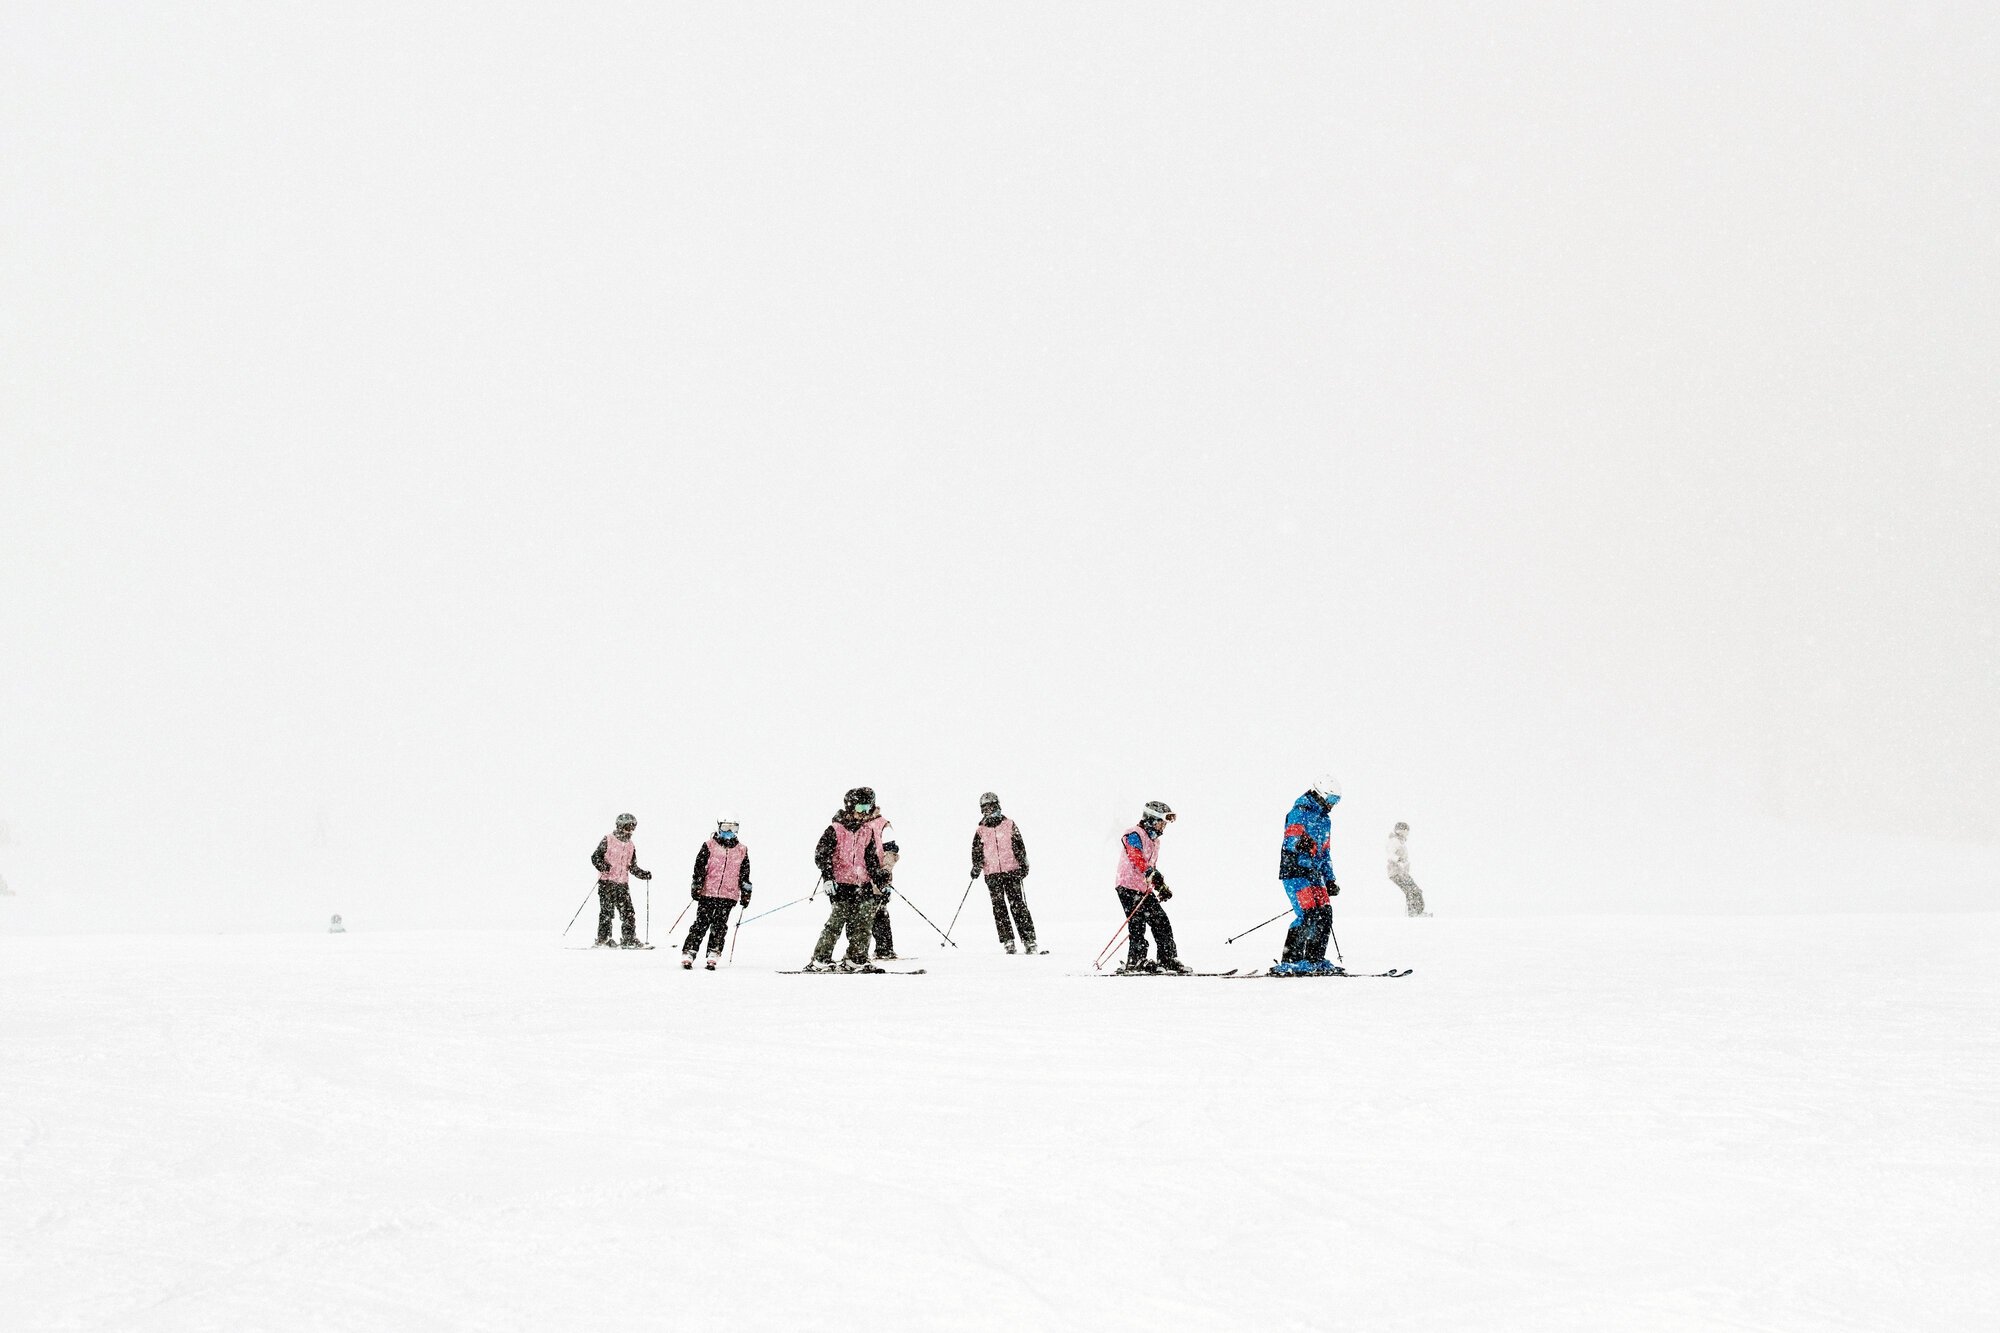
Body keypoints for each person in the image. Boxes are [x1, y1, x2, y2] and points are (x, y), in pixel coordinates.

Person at [807, 788, 896, 972]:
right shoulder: (835, 830)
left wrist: (880, 880)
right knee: (835, 924)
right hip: (842, 885)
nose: (864, 812)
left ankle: (856, 959)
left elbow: (871, 860)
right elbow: (822, 855)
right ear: (850, 806)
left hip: (863, 885)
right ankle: (820, 959)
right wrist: (828, 878)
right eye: (860, 807)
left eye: (868, 807)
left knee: (863, 924)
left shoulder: (867, 831)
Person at [1273, 776, 1342, 975]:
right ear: (1321, 795)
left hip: (1315, 873)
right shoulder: (1299, 812)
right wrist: (1300, 844)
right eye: (1332, 800)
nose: (1333, 805)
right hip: (1296, 871)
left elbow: (1325, 852)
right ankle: (1291, 961)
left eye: (1336, 801)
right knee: (1308, 913)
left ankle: (1314, 959)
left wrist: (1330, 878)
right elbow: (1290, 841)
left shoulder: (1325, 820)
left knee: (1325, 913)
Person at [1113, 801, 1189, 974]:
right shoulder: (1134, 834)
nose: (1164, 827)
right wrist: (1149, 872)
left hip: (1143, 889)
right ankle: (1136, 960)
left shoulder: (1155, 842)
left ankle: (1167, 959)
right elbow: (1135, 855)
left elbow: (1151, 868)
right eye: (1162, 822)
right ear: (1151, 820)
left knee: (1161, 920)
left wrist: (1160, 886)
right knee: (1137, 923)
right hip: (1127, 886)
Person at [970, 791, 1037, 953]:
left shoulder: (1009, 825)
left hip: (1011, 871)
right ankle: (1008, 941)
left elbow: (1019, 846)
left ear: (997, 806)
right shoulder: (980, 831)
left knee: (1018, 905)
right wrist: (976, 866)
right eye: (985, 808)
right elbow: (977, 852)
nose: (989, 810)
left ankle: (1029, 940)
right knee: (999, 909)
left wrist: (1023, 864)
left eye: (992, 806)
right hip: (992, 874)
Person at [684, 816, 752, 969]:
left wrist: (746, 892)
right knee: (701, 923)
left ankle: (714, 952)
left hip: (728, 895)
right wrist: (697, 885)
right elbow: (699, 867)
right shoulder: (709, 846)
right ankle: (690, 951)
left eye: (733, 828)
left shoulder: (741, 850)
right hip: (708, 892)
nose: (729, 831)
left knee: (720, 925)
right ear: (719, 827)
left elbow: (745, 874)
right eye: (726, 827)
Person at [590, 813, 653, 948]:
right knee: (607, 912)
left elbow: (632, 867)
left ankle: (629, 939)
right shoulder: (608, 840)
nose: (630, 831)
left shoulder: (631, 846)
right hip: (606, 882)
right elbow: (595, 857)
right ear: (619, 826)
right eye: (627, 827)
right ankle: (604, 939)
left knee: (628, 912)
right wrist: (603, 866)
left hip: (622, 884)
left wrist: (643, 874)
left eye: (632, 828)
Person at [1388, 822, 1428, 916]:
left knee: (1414, 890)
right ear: (1401, 831)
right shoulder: (1394, 841)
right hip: (1396, 872)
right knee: (1411, 890)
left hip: (1402, 872)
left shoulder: (1400, 841)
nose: (1408, 833)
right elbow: (1390, 854)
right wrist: (1399, 860)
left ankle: (1416, 912)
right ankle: (1414, 912)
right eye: (1406, 831)